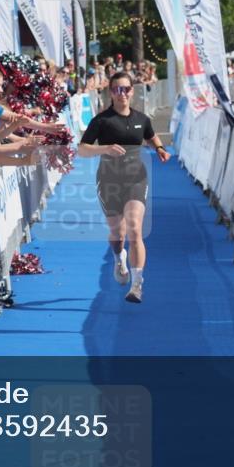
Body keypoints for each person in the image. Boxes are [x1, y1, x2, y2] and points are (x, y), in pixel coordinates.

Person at [77, 71, 171, 305]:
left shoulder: (141, 118)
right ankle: (119, 257)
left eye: (126, 89)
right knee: (117, 233)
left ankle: (137, 284)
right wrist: (104, 149)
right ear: (111, 92)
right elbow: (82, 149)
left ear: (132, 90)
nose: (123, 94)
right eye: (118, 89)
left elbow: (150, 135)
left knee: (135, 230)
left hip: (136, 179)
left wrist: (159, 148)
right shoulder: (101, 121)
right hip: (108, 180)